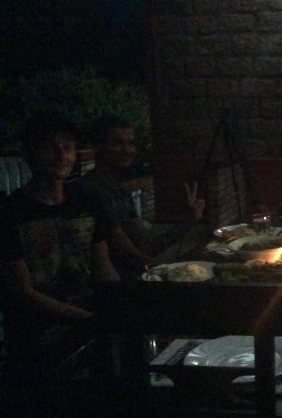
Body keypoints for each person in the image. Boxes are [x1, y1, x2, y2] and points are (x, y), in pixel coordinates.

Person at [0, 115, 120, 414]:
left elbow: (103, 266)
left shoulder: (87, 200)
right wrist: (89, 319)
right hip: (36, 340)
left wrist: (120, 305)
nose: (61, 156)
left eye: (67, 147)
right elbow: (23, 292)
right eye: (48, 147)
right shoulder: (11, 213)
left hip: (92, 329)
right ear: (27, 155)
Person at [75, 115, 205, 279]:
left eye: (131, 143)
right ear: (97, 147)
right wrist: (175, 271)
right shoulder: (89, 190)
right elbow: (129, 253)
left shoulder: (119, 190)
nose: (127, 151)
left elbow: (148, 244)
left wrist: (189, 221)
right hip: (113, 284)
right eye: (117, 143)